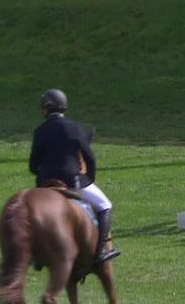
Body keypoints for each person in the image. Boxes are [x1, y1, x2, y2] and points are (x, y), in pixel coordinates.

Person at [29, 88, 121, 266]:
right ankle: (101, 251)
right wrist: (88, 178)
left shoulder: (39, 131)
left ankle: (36, 253)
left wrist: (43, 178)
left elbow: (33, 165)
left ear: (45, 109)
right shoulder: (74, 128)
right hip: (73, 181)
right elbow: (89, 158)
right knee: (105, 206)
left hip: (45, 184)